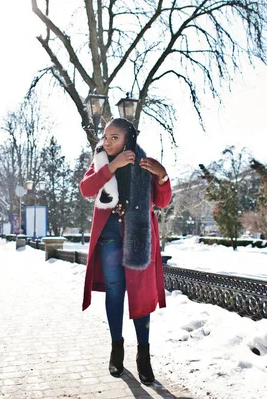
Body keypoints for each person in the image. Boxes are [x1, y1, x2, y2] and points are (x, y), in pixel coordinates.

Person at [79, 118, 172, 385]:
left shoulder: (146, 164)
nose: (107, 142)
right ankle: (116, 348)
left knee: (141, 299)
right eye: (105, 137)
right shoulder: (99, 162)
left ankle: (144, 357)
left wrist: (162, 175)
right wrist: (111, 167)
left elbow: (162, 201)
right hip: (109, 238)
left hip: (139, 240)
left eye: (114, 137)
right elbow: (86, 189)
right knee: (115, 293)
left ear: (128, 139)